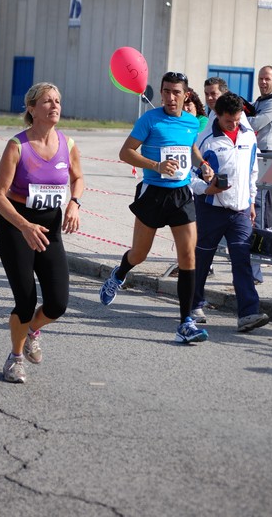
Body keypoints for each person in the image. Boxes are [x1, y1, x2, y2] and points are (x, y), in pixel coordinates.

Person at [99, 71, 212, 344]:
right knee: (139, 254)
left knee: (188, 257)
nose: (170, 97)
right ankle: (120, 273)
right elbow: (125, 152)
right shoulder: (149, 119)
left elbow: (191, 148)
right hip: (153, 194)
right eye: (166, 91)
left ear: (186, 95)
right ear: (160, 93)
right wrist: (156, 166)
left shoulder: (190, 122)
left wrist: (202, 165)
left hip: (181, 195)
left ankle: (185, 322)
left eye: (176, 92)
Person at [0, 82, 84, 383]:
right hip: (16, 225)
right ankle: (15, 359)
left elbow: (78, 177)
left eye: (58, 100)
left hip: (50, 226)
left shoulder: (67, 144)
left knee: (58, 303)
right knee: (26, 299)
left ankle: (32, 330)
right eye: (47, 101)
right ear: (32, 108)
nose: (54, 105)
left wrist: (74, 203)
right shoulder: (18, 146)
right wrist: (24, 225)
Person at [190, 92, 269, 332]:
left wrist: (252, 201)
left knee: (242, 260)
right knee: (202, 259)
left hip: (240, 211)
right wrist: (207, 188)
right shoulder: (205, 139)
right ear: (218, 116)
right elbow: (189, 177)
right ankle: (193, 305)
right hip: (211, 209)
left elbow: (252, 171)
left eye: (237, 119)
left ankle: (248, 313)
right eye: (228, 121)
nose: (234, 124)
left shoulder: (249, 136)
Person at [247, 65, 272, 283]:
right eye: (260, 78)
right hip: (257, 155)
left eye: (267, 78)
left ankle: (255, 271)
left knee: (259, 212)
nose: (263, 82)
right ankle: (251, 266)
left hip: (266, 158)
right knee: (255, 210)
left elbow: (255, 123)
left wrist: (235, 116)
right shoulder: (260, 101)